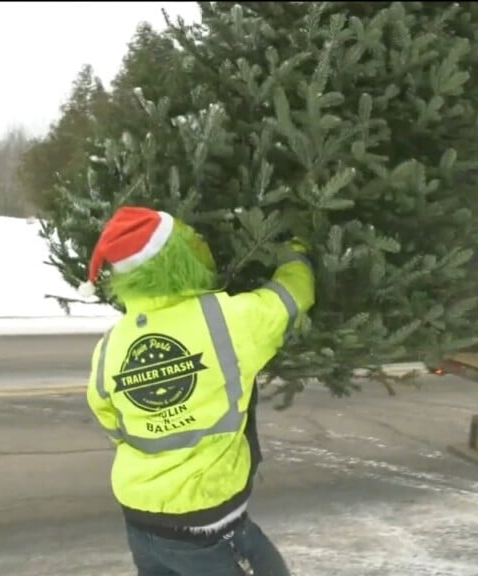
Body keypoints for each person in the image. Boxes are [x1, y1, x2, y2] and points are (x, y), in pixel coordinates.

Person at [79, 206, 315, 576]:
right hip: (208, 525)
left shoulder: (112, 343)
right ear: (182, 256)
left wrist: (161, 423)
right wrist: (295, 250)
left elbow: (108, 417)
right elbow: (290, 298)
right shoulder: (226, 319)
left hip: (140, 520)